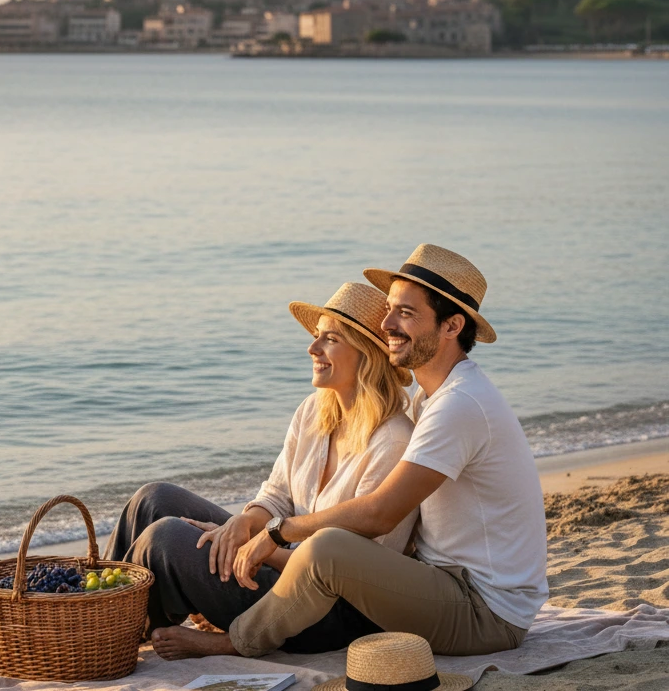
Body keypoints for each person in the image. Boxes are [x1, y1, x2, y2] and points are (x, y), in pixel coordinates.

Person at [211, 244, 548, 661]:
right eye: (389, 309)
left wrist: (280, 530)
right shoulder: (432, 398)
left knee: (325, 549)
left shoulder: (460, 404)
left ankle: (237, 641)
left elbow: (379, 514)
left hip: (485, 612)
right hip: (445, 583)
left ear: (451, 326)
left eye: (405, 312)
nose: (386, 323)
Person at [104, 282, 419, 658]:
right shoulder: (314, 411)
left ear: (366, 354)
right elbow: (277, 495)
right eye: (316, 336)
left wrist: (258, 547)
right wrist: (244, 523)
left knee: (166, 539)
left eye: (330, 339)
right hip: (281, 556)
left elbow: (354, 574)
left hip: (324, 608)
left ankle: (108, 633)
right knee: (153, 500)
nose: (312, 349)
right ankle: (101, 613)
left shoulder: (392, 441)